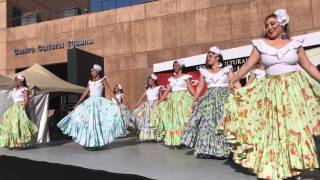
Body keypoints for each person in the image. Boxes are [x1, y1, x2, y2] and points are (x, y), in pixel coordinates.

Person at [218, 9, 320, 179]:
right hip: (271, 92)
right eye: (266, 26)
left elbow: (309, 67)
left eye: (273, 24)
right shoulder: (260, 45)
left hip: (294, 92)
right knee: (274, 130)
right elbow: (247, 66)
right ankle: (276, 167)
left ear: (283, 24)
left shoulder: (295, 44)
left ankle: (295, 164)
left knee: (294, 129)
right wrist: (233, 78)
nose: (269, 28)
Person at [182, 47, 241, 158]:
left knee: (222, 123)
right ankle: (207, 150)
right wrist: (194, 101)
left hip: (224, 99)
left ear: (217, 58)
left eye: (210, 56)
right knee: (207, 125)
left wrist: (243, 94)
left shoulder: (227, 69)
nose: (208, 58)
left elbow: (235, 83)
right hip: (209, 100)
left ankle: (224, 150)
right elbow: (199, 87)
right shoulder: (204, 72)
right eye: (207, 56)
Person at [57, 64, 124, 149]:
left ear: (97, 71)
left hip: (99, 104)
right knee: (90, 123)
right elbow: (85, 93)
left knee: (99, 123)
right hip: (89, 104)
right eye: (91, 71)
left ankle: (99, 142)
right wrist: (77, 103)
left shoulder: (103, 80)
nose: (92, 73)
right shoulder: (90, 82)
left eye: (93, 71)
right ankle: (91, 142)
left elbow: (109, 90)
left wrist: (116, 99)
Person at [151, 60, 195, 147]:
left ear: (181, 66)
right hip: (173, 101)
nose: (175, 67)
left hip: (183, 99)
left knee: (183, 119)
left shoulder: (186, 77)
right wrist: (161, 100)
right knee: (174, 121)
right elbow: (167, 90)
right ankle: (177, 140)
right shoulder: (171, 79)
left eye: (176, 65)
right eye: (174, 66)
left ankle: (185, 138)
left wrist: (196, 96)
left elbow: (190, 88)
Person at [0, 75, 38, 149]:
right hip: (14, 108)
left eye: (18, 80)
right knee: (11, 125)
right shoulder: (14, 89)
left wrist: (24, 109)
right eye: (15, 80)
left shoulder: (24, 89)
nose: (16, 81)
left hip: (20, 107)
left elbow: (26, 100)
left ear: (22, 81)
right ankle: (12, 143)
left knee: (20, 125)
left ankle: (20, 144)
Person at [131, 74, 162, 142]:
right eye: (148, 81)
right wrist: (135, 106)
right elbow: (141, 99)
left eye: (150, 80)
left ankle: (155, 136)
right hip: (147, 106)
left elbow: (161, 97)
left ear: (154, 80)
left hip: (155, 105)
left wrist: (161, 103)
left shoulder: (158, 87)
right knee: (147, 121)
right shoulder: (147, 89)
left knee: (154, 120)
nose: (149, 82)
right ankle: (147, 136)